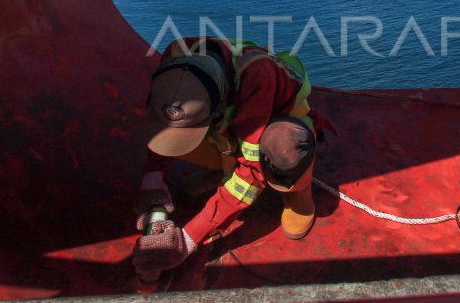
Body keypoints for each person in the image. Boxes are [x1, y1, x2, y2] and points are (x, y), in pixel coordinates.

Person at [132, 37, 329, 277]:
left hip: (272, 125)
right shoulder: (177, 53)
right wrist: (154, 175)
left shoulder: (258, 75)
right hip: (230, 127)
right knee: (183, 138)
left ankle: (299, 195)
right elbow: (163, 118)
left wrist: (188, 240)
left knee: (284, 148)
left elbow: (251, 175)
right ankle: (224, 170)